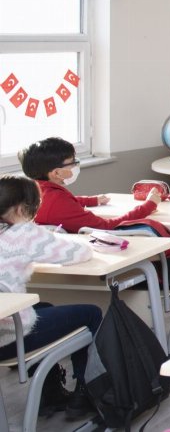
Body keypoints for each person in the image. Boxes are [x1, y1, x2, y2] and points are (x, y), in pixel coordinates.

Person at [0, 175, 102, 419]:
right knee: (91, 313)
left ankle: (52, 394)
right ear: (21, 209)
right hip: (7, 338)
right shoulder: (23, 232)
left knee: (43, 306)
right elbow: (79, 253)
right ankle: (88, 392)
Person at [18, 137, 161, 233]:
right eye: (72, 162)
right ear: (56, 173)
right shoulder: (58, 201)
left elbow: (67, 203)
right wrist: (149, 205)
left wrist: (92, 200)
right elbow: (106, 226)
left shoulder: (35, 191)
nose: (76, 165)